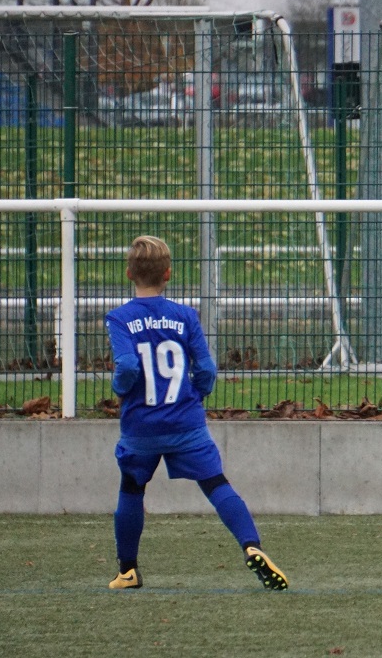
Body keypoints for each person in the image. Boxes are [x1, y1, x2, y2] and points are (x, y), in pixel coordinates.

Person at [104, 235, 288, 591]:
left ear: (129, 272)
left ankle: (128, 570)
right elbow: (206, 368)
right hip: (186, 421)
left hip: (141, 424)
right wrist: (198, 394)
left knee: (131, 488)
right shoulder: (185, 316)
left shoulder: (120, 318)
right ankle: (253, 546)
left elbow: (126, 365)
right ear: (168, 274)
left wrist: (121, 390)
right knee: (216, 483)